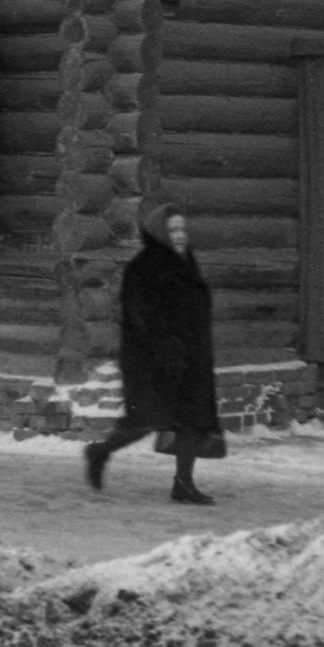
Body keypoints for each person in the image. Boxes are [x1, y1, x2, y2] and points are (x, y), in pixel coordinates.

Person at [83, 204, 224, 504]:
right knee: (145, 422)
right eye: (173, 229)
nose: (181, 235)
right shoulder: (144, 267)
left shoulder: (186, 261)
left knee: (192, 421)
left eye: (183, 229)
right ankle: (100, 451)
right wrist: (165, 346)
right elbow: (139, 316)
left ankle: (183, 484)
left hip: (189, 358)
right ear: (159, 232)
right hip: (151, 361)